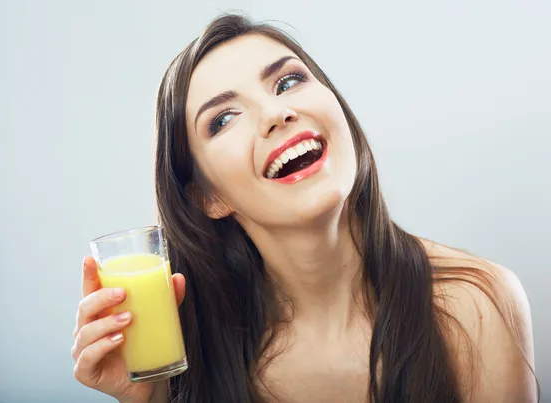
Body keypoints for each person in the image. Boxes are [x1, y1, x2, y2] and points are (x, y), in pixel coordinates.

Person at [71, 13, 539, 403]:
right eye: (224, 118)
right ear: (208, 198)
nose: (276, 113)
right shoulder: (186, 355)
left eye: (288, 81)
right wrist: (146, 399)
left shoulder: (476, 304)